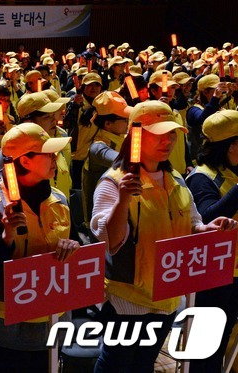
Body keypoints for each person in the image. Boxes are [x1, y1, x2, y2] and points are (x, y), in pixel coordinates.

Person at [91, 101, 237, 372]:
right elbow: (108, 242)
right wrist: (122, 200)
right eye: (159, 133)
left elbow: (192, 223)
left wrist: (207, 229)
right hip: (127, 300)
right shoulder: (113, 182)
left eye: (171, 133)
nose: (168, 140)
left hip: (167, 296)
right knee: (116, 363)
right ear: (136, 136)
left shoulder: (176, 180)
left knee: (145, 362)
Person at [0, 122, 78, 371]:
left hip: (53, 320)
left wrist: (73, 245)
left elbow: (73, 243)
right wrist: (6, 238)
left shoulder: (59, 199)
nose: (56, 159)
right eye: (48, 154)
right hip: (9, 330)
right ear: (26, 161)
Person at [186, 110, 238, 372]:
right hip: (215, 276)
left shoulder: (232, 171)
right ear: (230, 146)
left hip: (234, 272)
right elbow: (207, 218)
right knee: (206, 348)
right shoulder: (202, 177)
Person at [81, 91, 131, 228]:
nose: (129, 123)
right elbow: (125, 160)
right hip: (100, 224)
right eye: (125, 119)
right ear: (108, 124)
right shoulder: (98, 147)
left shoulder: (121, 137)